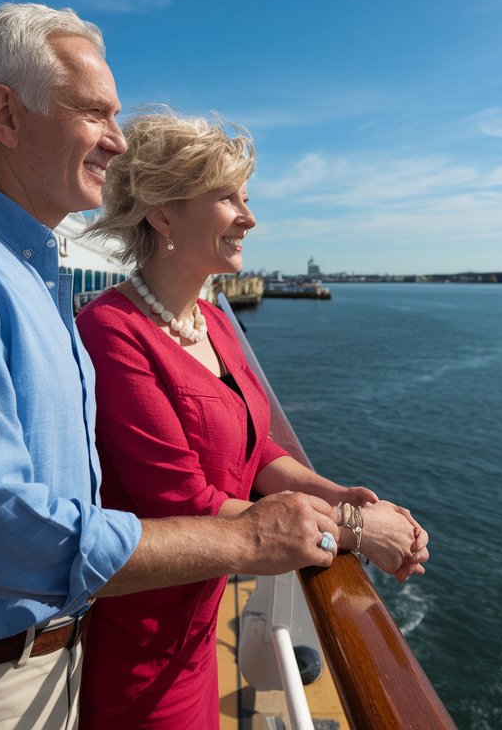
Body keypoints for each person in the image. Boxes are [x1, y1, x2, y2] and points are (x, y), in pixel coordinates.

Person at [0, 3, 341, 730]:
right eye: (96, 113)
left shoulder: (31, 272)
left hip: (39, 667)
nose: (117, 139)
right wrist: (253, 539)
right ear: (6, 115)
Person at [75, 109, 430, 729]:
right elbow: (186, 501)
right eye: (227, 198)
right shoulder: (112, 333)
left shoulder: (211, 319)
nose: (250, 216)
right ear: (163, 214)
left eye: (247, 196)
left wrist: (334, 494)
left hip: (199, 627)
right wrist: (352, 528)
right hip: (139, 642)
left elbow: (254, 445)